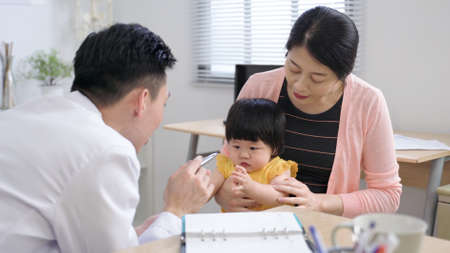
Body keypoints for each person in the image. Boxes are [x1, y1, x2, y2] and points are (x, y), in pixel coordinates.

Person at [0, 23, 214, 252]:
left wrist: (133, 233)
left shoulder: (25, 114)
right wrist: (177, 210)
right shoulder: (106, 151)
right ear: (142, 101)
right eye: (164, 103)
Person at [215, 6, 402, 218]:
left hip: (322, 230)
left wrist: (319, 202)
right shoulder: (259, 87)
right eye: (293, 68)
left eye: (317, 77)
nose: (299, 86)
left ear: (344, 74)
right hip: (255, 225)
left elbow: (388, 195)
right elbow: (228, 157)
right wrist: (221, 193)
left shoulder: (368, 102)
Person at [210, 98, 298, 211]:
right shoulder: (226, 165)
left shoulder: (277, 168)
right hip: (232, 226)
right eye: (236, 146)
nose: (244, 155)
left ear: (274, 149)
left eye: (253, 148)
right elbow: (207, 189)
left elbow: (280, 197)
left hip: (269, 226)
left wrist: (251, 187)